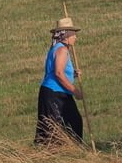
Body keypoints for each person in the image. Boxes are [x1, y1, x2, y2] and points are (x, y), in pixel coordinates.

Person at [35, 16, 85, 145]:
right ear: (66, 35)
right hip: (54, 94)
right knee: (65, 125)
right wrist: (75, 91)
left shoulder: (56, 49)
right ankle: (64, 154)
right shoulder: (62, 50)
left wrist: (72, 74)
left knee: (70, 123)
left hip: (55, 92)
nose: (75, 37)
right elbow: (58, 73)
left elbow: (58, 71)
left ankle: (67, 153)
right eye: (73, 34)